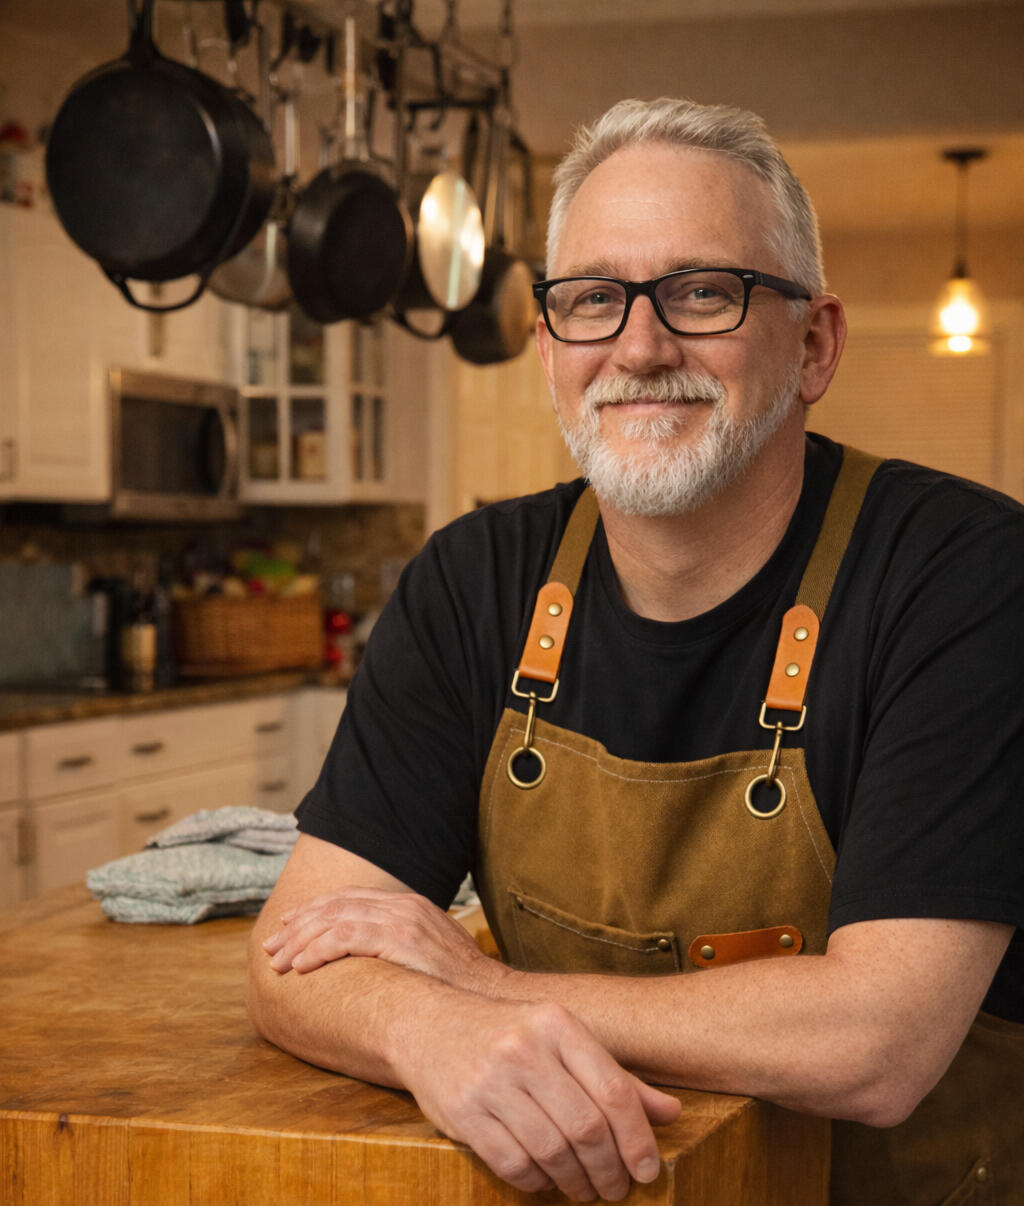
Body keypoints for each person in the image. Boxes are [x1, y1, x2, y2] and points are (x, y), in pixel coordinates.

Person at [248, 97, 1023, 1205]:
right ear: (551, 341)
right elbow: (291, 961)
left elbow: (876, 1041)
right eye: (594, 299)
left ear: (814, 344)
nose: (640, 347)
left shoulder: (967, 577)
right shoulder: (474, 582)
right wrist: (420, 1028)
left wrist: (478, 984)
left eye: (703, 292)